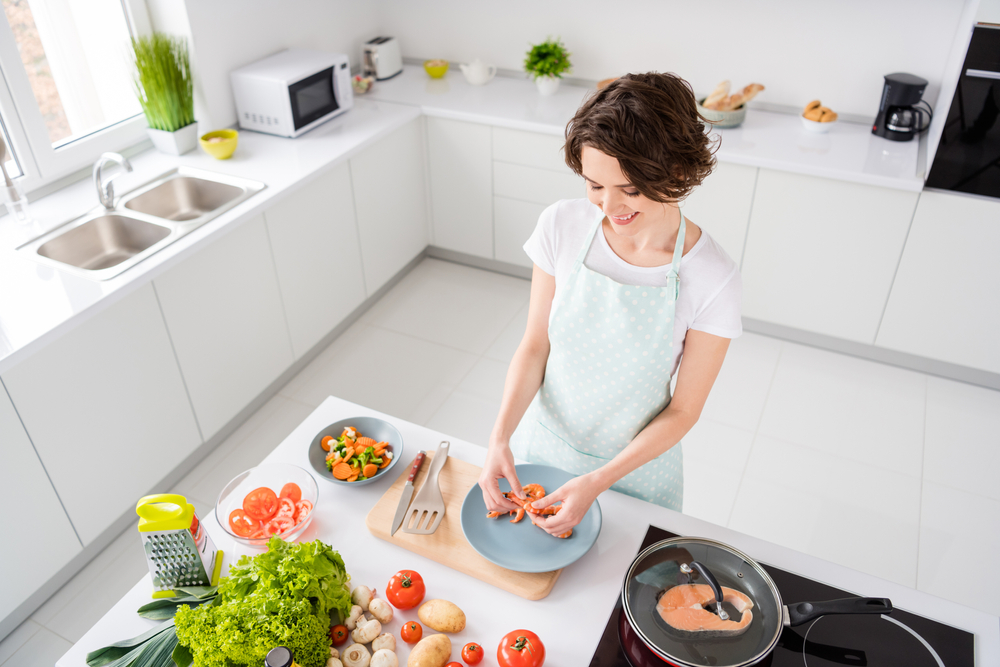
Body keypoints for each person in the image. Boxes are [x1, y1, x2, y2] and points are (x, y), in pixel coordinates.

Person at [478, 72, 743, 537]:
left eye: (631, 189)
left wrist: (598, 482)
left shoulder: (712, 277)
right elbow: (536, 345)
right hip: (545, 451)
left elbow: (683, 411)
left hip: (637, 476)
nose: (609, 205)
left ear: (678, 172)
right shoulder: (561, 225)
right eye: (594, 184)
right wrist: (499, 437)